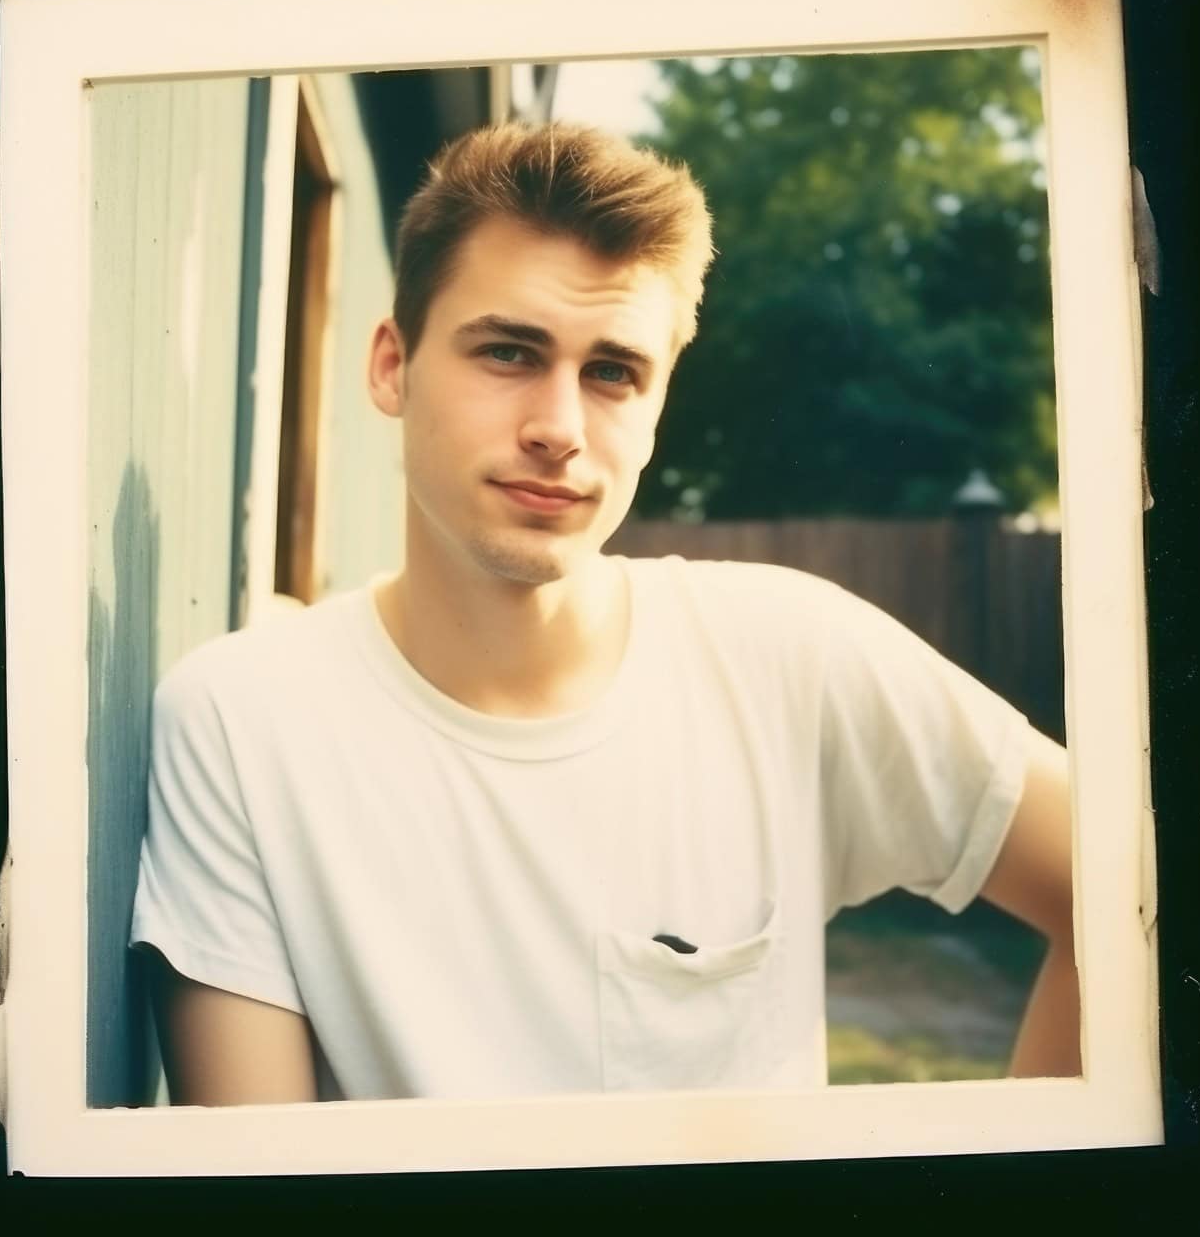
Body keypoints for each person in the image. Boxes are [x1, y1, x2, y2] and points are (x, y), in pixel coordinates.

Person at [130, 121, 1078, 1106]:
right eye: (507, 352)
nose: (559, 429)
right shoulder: (241, 723)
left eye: (613, 372)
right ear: (389, 365)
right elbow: (257, 1186)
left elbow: (1134, 891)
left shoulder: (788, 655)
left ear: (658, 403)